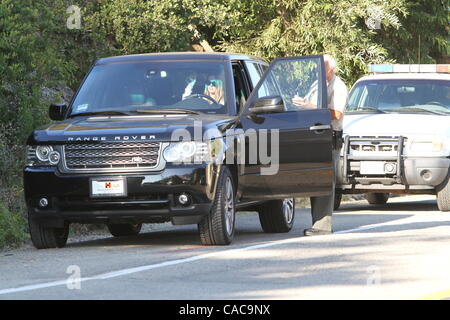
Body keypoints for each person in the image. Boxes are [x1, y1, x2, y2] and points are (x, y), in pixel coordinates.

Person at [293, 54, 349, 236]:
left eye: (322, 67)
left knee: (325, 181)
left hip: (329, 137)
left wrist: (309, 107)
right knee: (315, 179)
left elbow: (337, 113)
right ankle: (317, 223)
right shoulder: (318, 84)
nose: (318, 70)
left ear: (331, 70)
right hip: (315, 136)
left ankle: (323, 226)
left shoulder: (338, 86)